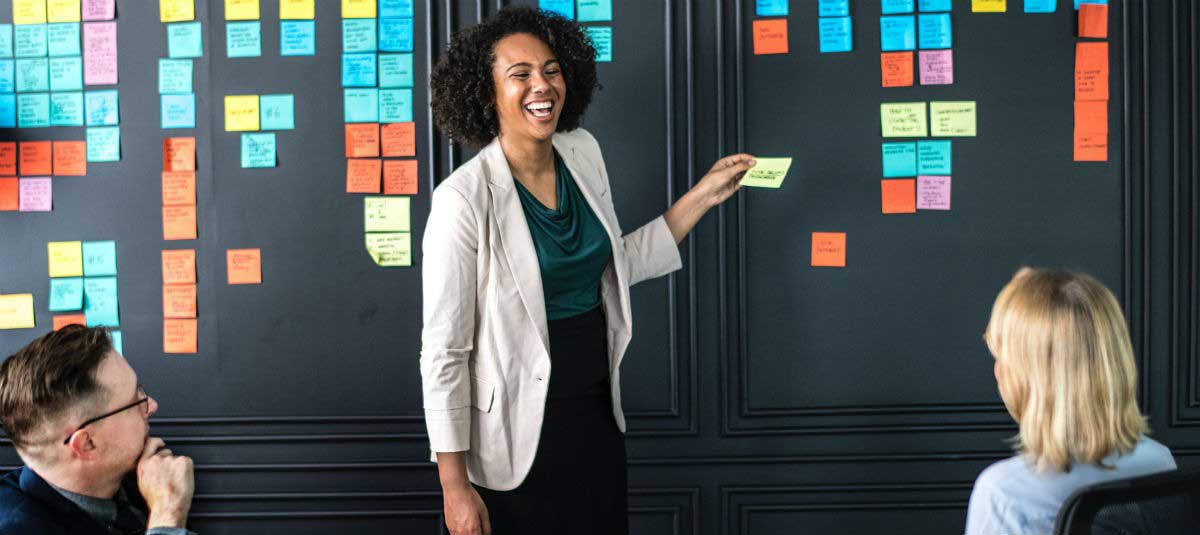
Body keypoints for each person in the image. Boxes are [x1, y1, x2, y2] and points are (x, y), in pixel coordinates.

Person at [422, 6, 755, 534]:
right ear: (487, 94)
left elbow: (614, 266)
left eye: (551, 69)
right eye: (521, 74)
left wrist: (702, 197)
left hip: (594, 413)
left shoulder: (582, 151)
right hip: (510, 436)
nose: (542, 85)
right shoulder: (462, 200)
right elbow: (445, 354)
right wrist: (454, 487)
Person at [965, 268, 1177, 534]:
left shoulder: (1003, 494)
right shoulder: (1159, 462)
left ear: (1031, 377)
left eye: (1002, 358)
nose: (997, 370)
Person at [0, 325, 196, 535]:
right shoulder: (17, 527)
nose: (152, 405)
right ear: (87, 444)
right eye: (134, 401)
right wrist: (167, 516)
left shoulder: (135, 477)